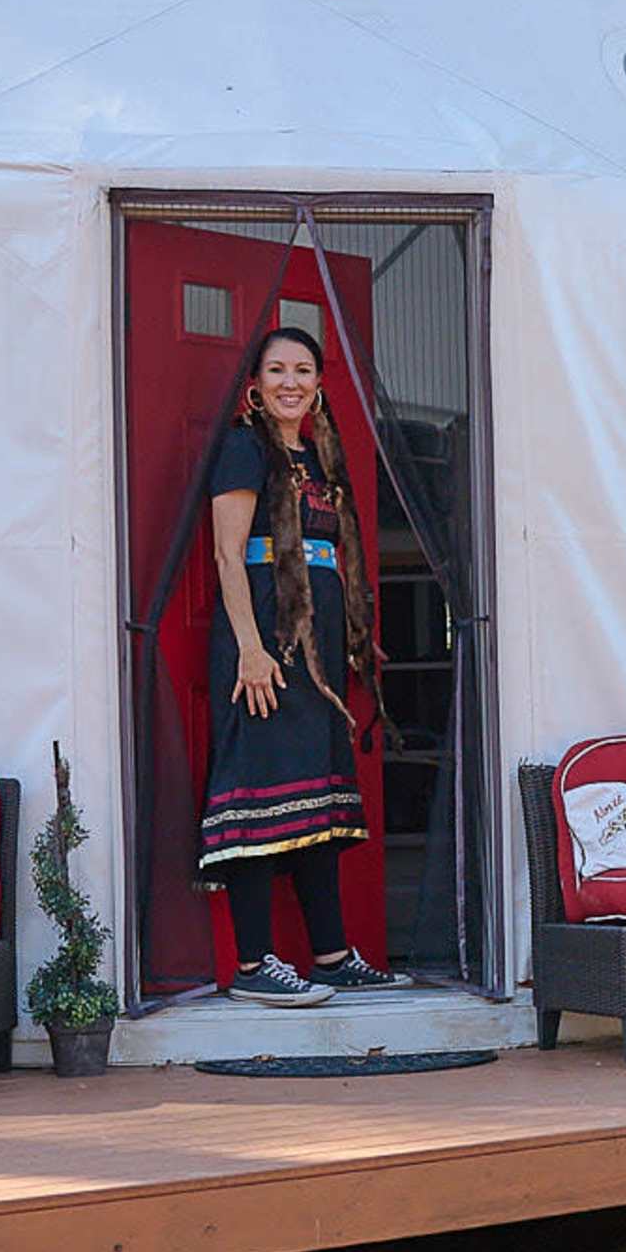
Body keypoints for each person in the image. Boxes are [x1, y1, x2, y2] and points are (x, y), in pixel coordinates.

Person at [198, 324, 402, 1005]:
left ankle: (332, 955)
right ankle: (253, 967)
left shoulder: (317, 460)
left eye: (304, 370)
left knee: (314, 802)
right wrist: (250, 649)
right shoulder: (242, 448)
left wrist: (351, 635)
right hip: (262, 652)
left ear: (318, 385)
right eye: (278, 370)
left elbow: (325, 560)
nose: (291, 382)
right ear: (256, 385)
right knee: (259, 799)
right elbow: (230, 555)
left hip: (313, 657)